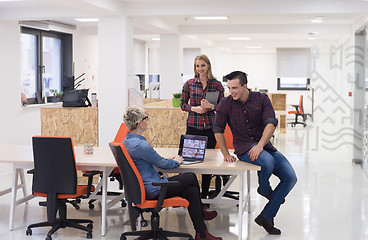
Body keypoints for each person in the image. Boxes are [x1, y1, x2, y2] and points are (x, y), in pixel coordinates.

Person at [213, 71, 297, 235]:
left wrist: (260, 145)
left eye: (235, 88)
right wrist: (225, 153)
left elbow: (271, 122)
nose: (232, 92)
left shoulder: (261, 99)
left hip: (264, 145)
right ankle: (265, 189)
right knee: (267, 162)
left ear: (245, 86)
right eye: (229, 88)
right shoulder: (225, 103)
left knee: (291, 178)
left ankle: (266, 216)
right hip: (244, 148)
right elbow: (217, 129)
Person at [122, 106, 222, 240]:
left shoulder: (126, 142)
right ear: (139, 123)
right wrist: (177, 161)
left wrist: (165, 160)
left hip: (142, 189)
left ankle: (201, 233)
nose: (147, 120)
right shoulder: (141, 145)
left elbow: (152, 160)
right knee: (191, 176)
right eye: (145, 118)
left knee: (192, 191)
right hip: (154, 189)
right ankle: (201, 211)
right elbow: (164, 165)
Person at [180, 54, 224, 199]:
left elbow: (223, 107)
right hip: (193, 126)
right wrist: (194, 108)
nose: (200, 69)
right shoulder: (189, 84)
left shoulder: (216, 85)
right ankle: (190, 195)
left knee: (207, 163)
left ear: (208, 66)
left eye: (203, 65)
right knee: (189, 161)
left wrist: (211, 106)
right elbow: (182, 104)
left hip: (211, 128)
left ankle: (204, 195)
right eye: (197, 66)